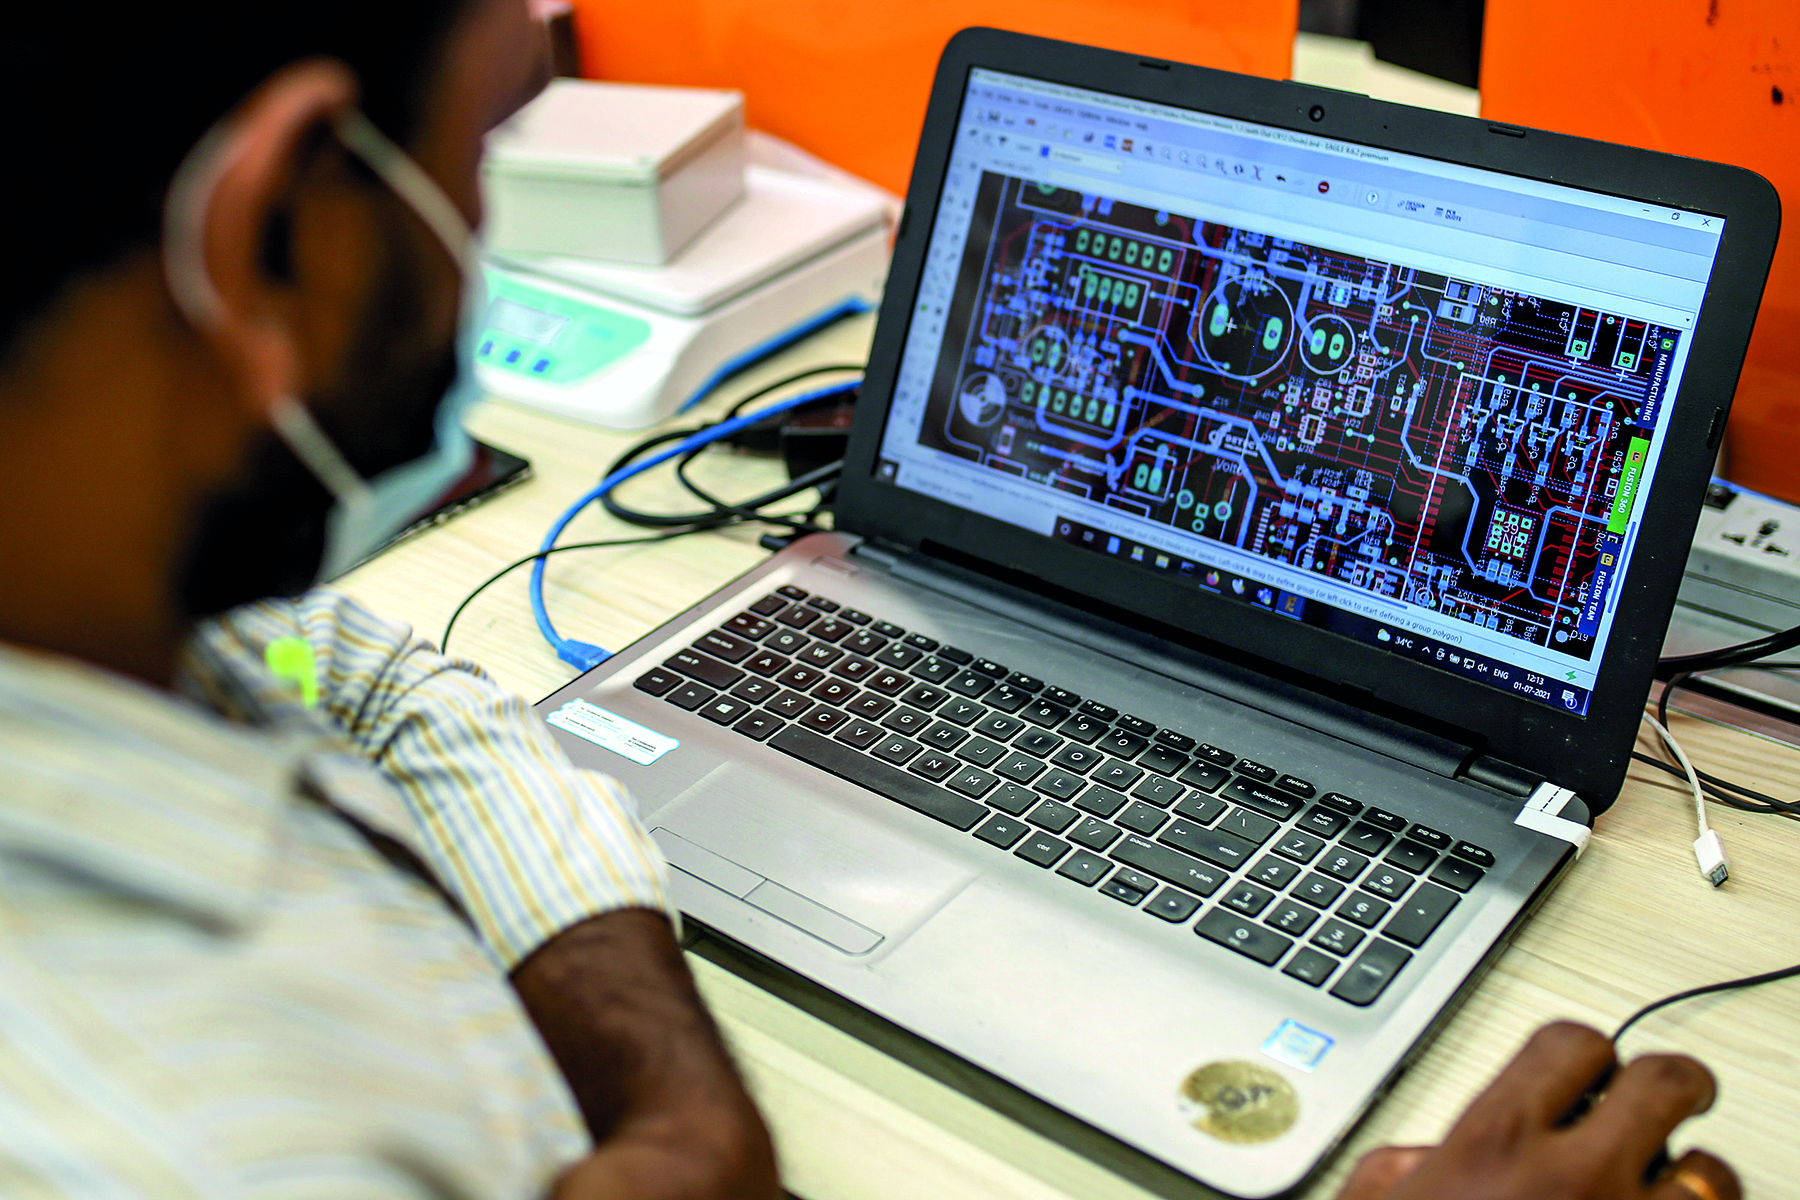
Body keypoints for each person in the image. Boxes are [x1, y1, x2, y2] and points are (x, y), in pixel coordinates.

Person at [0, 1, 1741, 1197]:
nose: (484, 220)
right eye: (496, 143)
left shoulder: (140, 613)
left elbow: (358, 675)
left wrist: (683, 1122)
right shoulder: (180, 1131)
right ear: (275, 235)